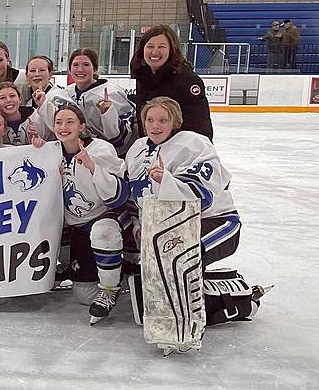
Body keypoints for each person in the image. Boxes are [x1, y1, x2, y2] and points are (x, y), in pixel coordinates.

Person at [125, 97, 267, 324]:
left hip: (216, 222)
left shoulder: (194, 143)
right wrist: (139, 226)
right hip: (167, 228)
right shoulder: (137, 149)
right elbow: (134, 199)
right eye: (150, 120)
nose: (155, 126)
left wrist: (167, 181)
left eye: (163, 120)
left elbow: (203, 197)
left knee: (181, 257)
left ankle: (233, 302)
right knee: (160, 276)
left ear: (175, 121)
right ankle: (206, 290)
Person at [32, 106, 128, 323]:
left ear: (82, 126)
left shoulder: (100, 149)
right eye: (58, 122)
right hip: (77, 226)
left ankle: (110, 287)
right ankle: (73, 265)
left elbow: (118, 196)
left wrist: (92, 167)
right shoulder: (51, 153)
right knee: (83, 295)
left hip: (106, 216)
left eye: (70, 122)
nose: (63, 127)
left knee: (103, 232)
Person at [130, 25, 213, 141]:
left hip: (181, 150)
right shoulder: (143, 75)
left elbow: (198, 125)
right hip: (152, 147)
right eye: (150, 46)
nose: (154, 52)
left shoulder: (186, 80)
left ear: (171, 49)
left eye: (161, 47)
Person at [65, 48, 136, 155]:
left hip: (110, 155)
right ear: (70, 69)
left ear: (95, 68)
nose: (80, 69)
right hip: (79, 153)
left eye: (86, 65)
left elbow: (123, 138)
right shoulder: (66, 93)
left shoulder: (112, 93)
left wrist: (108, 115)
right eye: (75, 65)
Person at [24, 56, 68, 140]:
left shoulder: (60, 96)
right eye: (32, 71)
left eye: (42, 70)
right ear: (26, 75)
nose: (37, 74)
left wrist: (44, 105)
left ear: (50, 74)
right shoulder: (28, 102)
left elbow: (64, 127)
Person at [0, 82, 40, 146]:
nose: (8, 100)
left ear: (20, 99)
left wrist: (38, 140)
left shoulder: (37, 117)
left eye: (12, 96)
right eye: (3, 98)